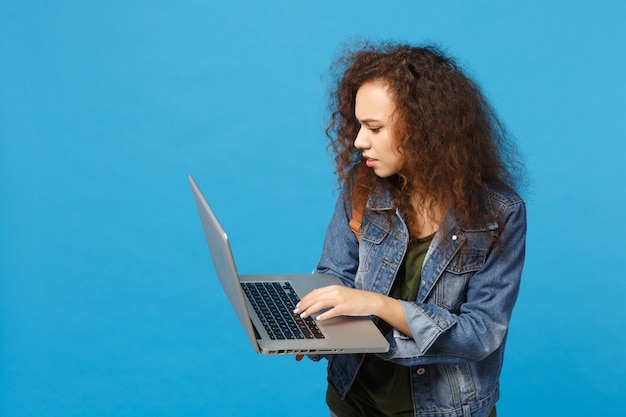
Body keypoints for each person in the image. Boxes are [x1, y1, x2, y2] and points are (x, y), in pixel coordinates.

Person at [292, 41, 527, 417]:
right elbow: (335, 275)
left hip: (446, 408)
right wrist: (314, 324)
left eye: (374, 127)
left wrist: (378, 305)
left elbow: (481, 332)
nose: (358, 141)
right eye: (358, 126)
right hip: (355, 398)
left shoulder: (500, 214)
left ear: (422, 128)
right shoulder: (363, 186)